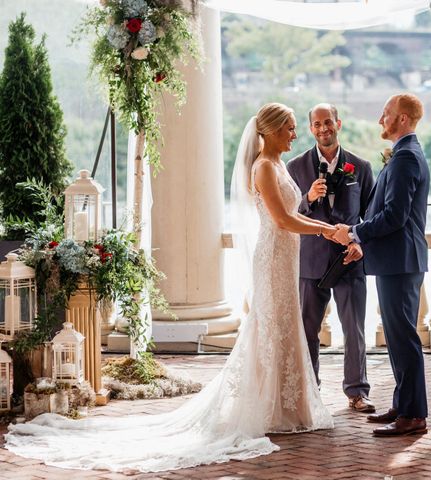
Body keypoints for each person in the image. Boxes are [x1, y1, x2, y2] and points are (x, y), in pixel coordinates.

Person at [4, 103, 336, 472]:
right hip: (273, 257)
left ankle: (287, 405)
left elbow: (294, 213)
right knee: (271, 325)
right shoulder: (262, 167)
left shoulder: (278, 166)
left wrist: (324, 226)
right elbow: (281, 219)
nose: (294, 133)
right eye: (289, 127)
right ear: (271, 130)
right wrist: (326, 229)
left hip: (285, 257)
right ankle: (270, 406)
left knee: (285, 326)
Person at [334, 93, 429, 437]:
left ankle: (414, 414)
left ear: (402, 119)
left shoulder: (405, 158)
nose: (380, 120)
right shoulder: (404, 154)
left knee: (403, 338)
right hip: (396, 261)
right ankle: (403, 404)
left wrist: (355, 232)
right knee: (396, 336)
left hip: (400, 262)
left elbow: (395, 216)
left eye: (386, 114)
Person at [287, 103, 375, 413]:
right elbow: (285, 215)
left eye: (328, 122)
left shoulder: (360, 167)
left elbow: (371, 215)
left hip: (349, 261)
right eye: (317, 124)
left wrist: (360, 242)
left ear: (338, 123)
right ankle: (311, 392)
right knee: (308, 330)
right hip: (310, 261)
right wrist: (308, 198)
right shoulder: (294, 167)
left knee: (354, 328)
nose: (323, 128)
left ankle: (357, 392)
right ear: (310, 128)